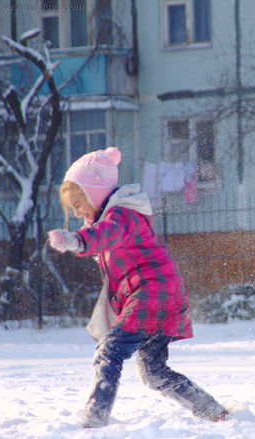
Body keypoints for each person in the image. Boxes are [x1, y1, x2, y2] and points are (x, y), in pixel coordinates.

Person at [47, 147, 228, 428]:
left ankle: (94, 419)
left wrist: (75, 240)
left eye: (79, 203)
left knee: (110, 351)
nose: (78, 211)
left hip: (153, 292)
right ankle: (213, 411)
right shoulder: (115, 215)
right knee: (153, 372)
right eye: (73, 208)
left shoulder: (122, 215)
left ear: (95, 193)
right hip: (160, 293)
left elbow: (104, 235)